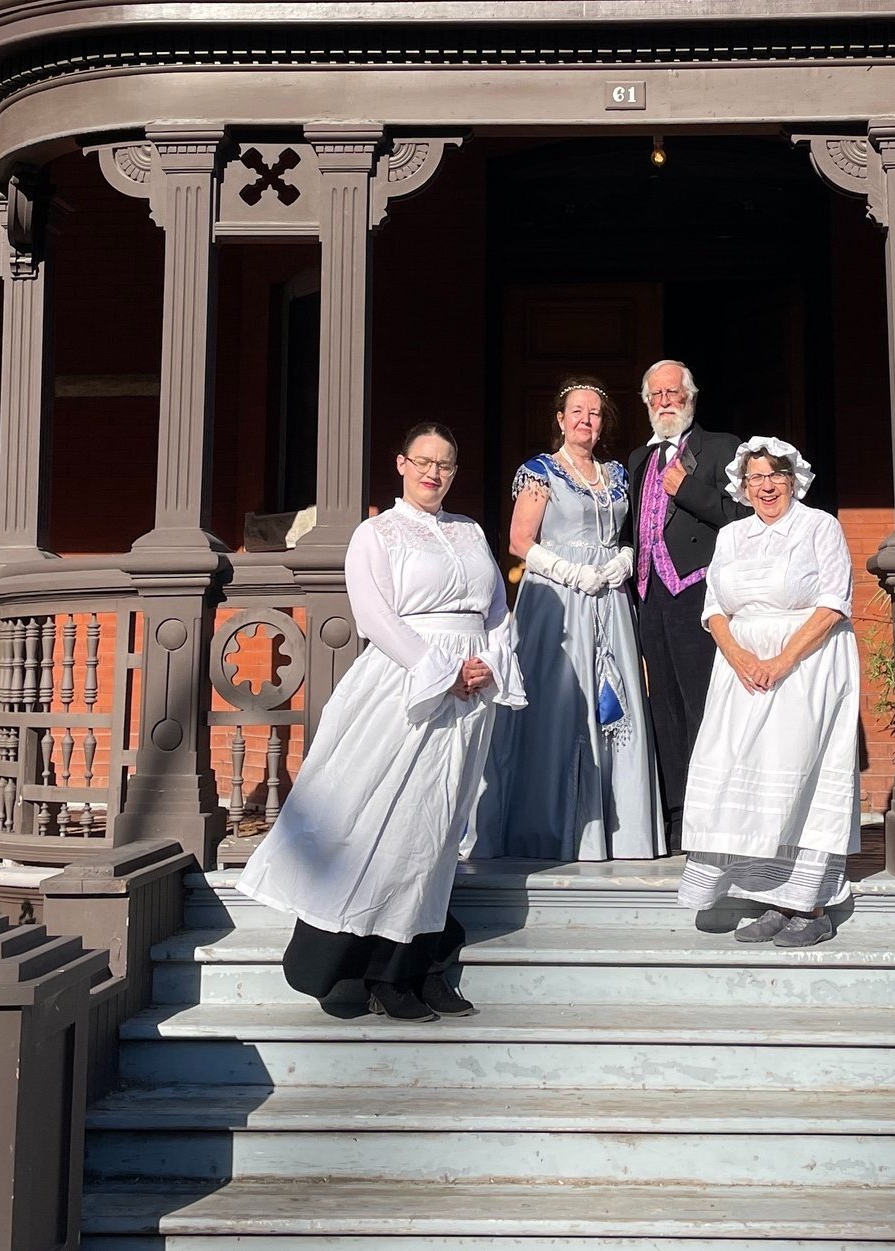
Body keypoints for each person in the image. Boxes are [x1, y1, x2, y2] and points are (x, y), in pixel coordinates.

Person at [238, 422, 523, 1021]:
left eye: (445, 464)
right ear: (400, 464)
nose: (434, 473)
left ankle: (417, 964)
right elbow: (376, 618)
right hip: (405, 687)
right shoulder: (376, 534)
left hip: (469, 691)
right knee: (383, 820)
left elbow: (497, 610)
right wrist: (440, 669)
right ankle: (351, 967)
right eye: (424, 461)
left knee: (437, 829)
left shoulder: (469, 532)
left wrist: (488, 662)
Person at [677, 436, 858, 948]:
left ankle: (812, 907)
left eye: (775, 475)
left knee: (800, 775)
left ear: (793, 479)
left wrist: (781, 661)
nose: (766, 485)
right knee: (743, 779)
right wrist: (741, 658)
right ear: (744, 485)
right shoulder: (732, 535)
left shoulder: (820, 526)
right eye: (756, 477)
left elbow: (833, 602)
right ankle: (776, 897)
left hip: (807, 666)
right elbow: (713, 606)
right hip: (741, 672)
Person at [474, 377, 663, 861]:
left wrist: (622, 560)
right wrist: (570, 571)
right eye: (576, 411)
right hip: (557, 600)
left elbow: (627, 533)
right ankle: (550, 829)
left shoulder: (617, 474)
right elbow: (520, 541)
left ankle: (624, 833)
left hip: (609, 599)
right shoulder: (540, 471)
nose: (585, 419)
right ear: (560, 420)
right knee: (558, 705)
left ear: (603, 424)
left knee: (616, 705)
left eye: (595, 413)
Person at [623, 360, 747, 852]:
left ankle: (713, 817)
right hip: (651, 596)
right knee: (664, 709)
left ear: (691, 397)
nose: (665, 401)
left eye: (673, 393)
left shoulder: (722, 448)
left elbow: (742, 516)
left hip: (698, 593)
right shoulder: (638, 459)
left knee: (703, 706)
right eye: (656, 395)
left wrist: (688, 489)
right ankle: (677, 817)